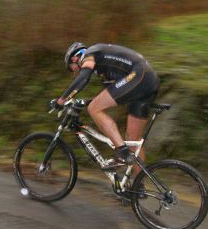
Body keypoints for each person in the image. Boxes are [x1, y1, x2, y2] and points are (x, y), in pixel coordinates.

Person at [50, 42, 159, 170]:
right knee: (133, 140)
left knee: (94, 109)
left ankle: (122, 152)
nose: (74, 73)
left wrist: (61, 101)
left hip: (139, 76)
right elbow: (111, 97)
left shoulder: (90, 53)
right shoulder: (105, 70)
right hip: (148, 81)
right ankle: (139, 186)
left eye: (72, 68)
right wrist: (84, 102)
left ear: (75, 58)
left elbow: (83, 78)